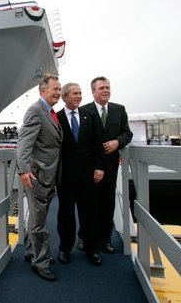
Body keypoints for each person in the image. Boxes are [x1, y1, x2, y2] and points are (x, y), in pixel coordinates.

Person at [80, 76, 133, 254]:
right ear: (93, 92)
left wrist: (117, 142)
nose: (105, 91)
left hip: (110, 167)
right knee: (89, 204)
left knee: (107, 204)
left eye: (108, 87)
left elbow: (127, 133)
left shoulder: (119, 110)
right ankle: (84, 237)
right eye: (101, 88)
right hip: (89, 167)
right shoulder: (83, 110)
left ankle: (105, 239)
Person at [17, 74, 62, 281]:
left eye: (59, 89)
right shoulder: (36, 110)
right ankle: (40, 262)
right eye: (55, 89)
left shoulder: (49, 111)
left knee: (38, 216)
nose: (58, 93)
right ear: (43, 90)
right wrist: (24, 169)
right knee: (39, 221)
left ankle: (31, 252)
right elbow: (25, 142)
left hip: (47, 173)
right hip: (36, 175)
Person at [56, 83, 104, 266]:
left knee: (89, 213)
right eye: (75, 93)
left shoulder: (90, 115)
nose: (79, 96)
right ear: (65, 97)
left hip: (88, 175)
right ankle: (65, 248)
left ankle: (92, 249)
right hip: (66, 177)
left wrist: (99, 167)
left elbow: (97, 143)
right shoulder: (57, 118)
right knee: (65, 213)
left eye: (80, 93)